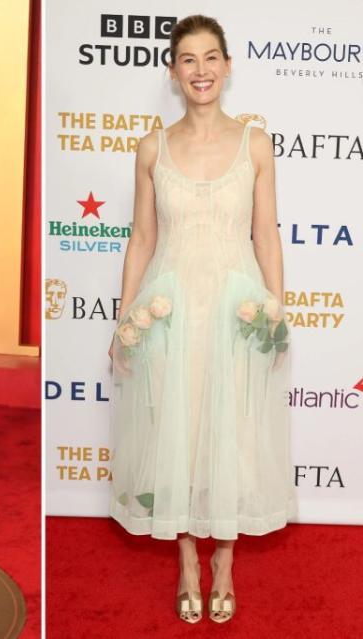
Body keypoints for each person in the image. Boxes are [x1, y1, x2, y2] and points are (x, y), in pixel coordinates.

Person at [108, 14, 295, 625]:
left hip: (237, 311)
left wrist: (277, 310)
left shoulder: (256, 144)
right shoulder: (152, 148)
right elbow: (140, 238)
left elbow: (266, 235)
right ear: (173, 71)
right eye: (188, 59)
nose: (201, 70)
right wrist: (122, 319)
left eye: (210, 57)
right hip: (170, 310)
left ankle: (225, 562)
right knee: (178, 434)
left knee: (232, 433)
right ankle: (188, 560)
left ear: (228, 64)